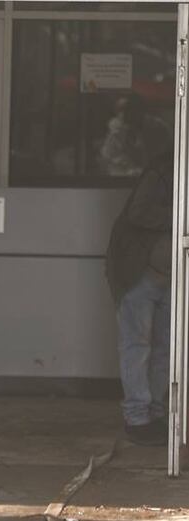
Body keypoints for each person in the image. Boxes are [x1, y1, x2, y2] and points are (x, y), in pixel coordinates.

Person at [105, 152, 174, 446]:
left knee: (162, 348)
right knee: (139, 346)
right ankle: (138, 417)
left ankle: (153, 414)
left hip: (167, 274)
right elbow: (138, 212)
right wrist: (180, 212)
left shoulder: (164, 170)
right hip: (141, 273)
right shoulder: (160, 171)